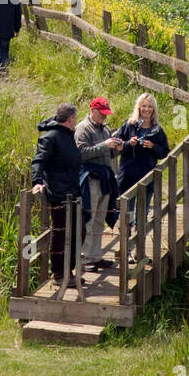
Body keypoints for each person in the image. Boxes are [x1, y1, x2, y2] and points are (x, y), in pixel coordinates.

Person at [31, 104, 82, 283]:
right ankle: (59, 274)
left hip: (73, 191)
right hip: (58, 192)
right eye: (75, 118)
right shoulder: (50, 137)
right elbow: (38, 161)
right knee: (60, 233)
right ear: (70, 120)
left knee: (79, 230)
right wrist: (37, 181)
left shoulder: (69, 135)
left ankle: (69, 271)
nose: (76, 121)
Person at [74, 96, 122, 270]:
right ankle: (84, 258)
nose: (104, 117)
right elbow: (81, 154)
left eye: (106, 114)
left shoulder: (105, 129)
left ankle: (95, 255)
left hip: (104, 178)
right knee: (89, 218)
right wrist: (104, 145)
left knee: (100, 218)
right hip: (90, 179)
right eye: (101, 114)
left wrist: (117, 149)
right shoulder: (82, 128)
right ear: (92, 111)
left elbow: (108, 155)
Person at [115, 93, 170, 197]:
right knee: (127, 211)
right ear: (139, 108)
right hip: (127, 176)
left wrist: (153, 146)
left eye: (150, 106)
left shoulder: (158, 130)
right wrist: (129, 143)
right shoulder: (129, 125)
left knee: (143, 212)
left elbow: (164, 152)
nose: (147, 109)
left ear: (153, 109)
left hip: (147, 177)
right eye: (144, 106)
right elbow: (117, 145)